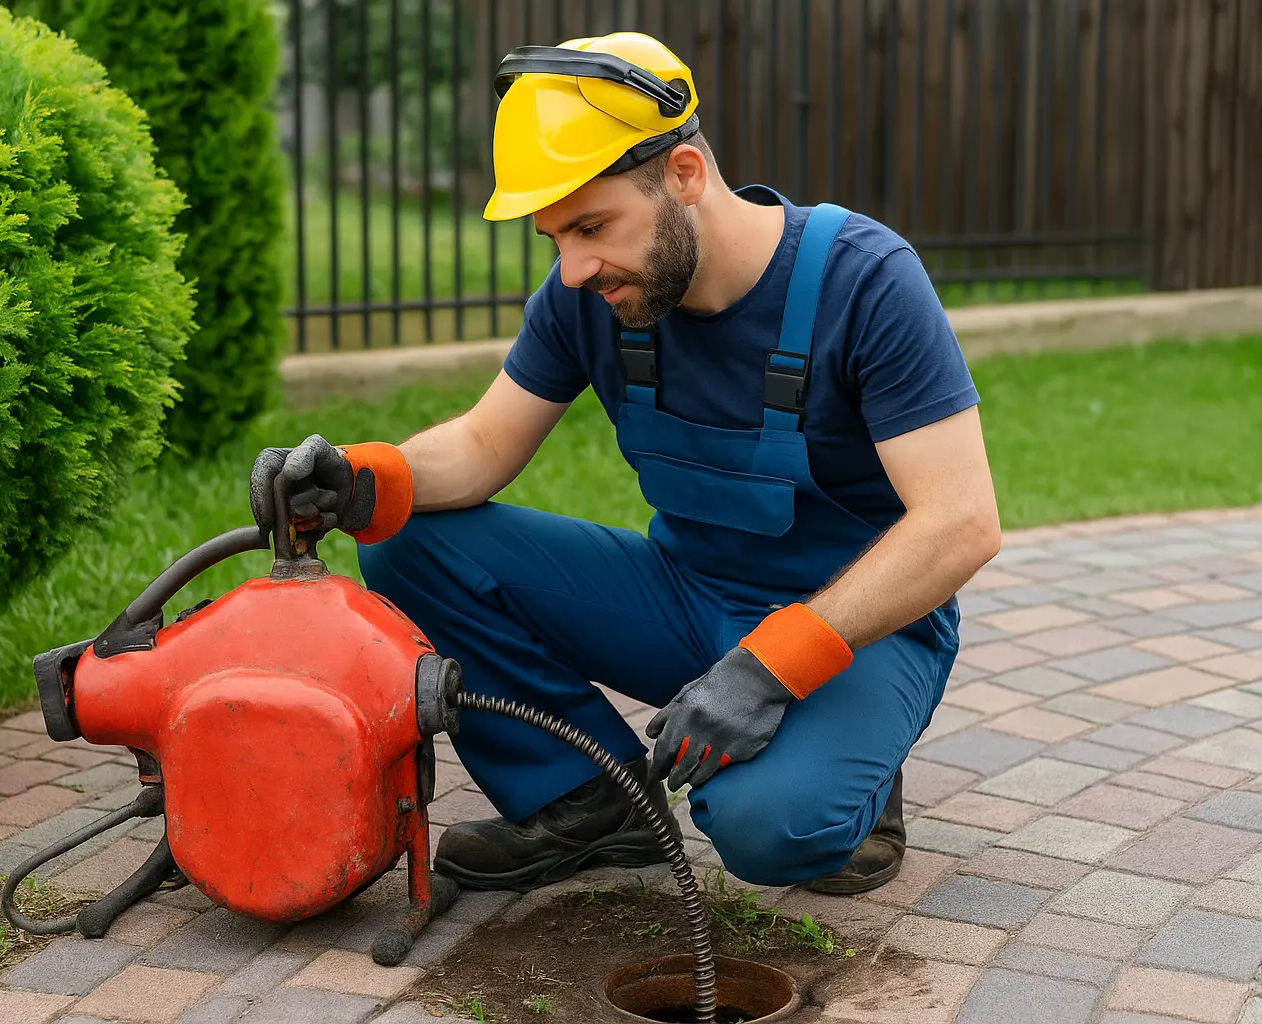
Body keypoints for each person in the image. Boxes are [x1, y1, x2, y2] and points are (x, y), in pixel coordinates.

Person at [249, 31, 1000, 896]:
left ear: (684, 174)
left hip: (863, 630)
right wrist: (360, 476)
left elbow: (960, 523)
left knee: (768, 831)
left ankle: (857, 776)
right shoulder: (597, 293)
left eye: (592, 227)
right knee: (407, 539)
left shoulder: (864, 282)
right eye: (554, 236)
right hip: (690, 600)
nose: (571, 269)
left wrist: (772, 666)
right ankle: (587, 803)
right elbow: (486, 446)